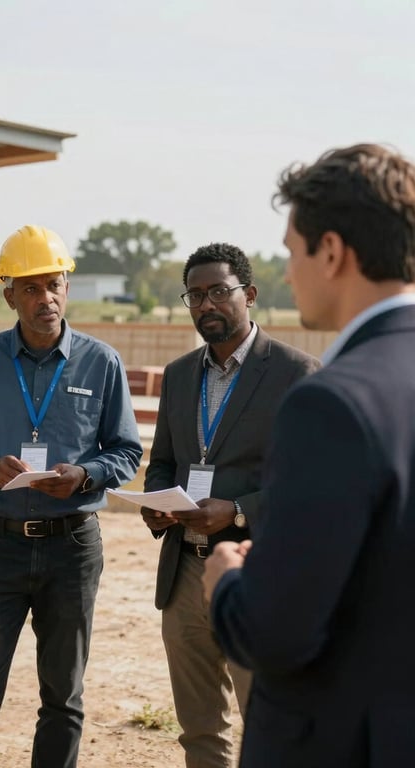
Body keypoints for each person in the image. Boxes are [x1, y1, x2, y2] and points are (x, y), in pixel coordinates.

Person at [203, 143, 415, 767]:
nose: (289, 272)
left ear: (331, 251)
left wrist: (227, 582)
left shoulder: (331, 403)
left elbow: (275, 633)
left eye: (292, 251)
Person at [0, 224, 142, 768]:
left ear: (66, 287)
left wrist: (85, 475)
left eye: (53, 284)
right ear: (10, 296)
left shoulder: (101, 362)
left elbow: (126, 451)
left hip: (71, 549)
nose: (45, 297)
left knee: (63, 699)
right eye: (30, 288)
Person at [141, 242, 320, 768]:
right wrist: (156, 502)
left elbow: (311, 484)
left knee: (268, 723)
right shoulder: (179, 375)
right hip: (183, 576)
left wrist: (238, 511)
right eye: (195, 295)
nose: (206, 304)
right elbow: (163, 461)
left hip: (256, 572)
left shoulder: (296, 373)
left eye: (219, 291)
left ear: (250, 294)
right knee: (199, 729)